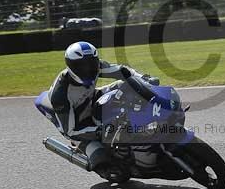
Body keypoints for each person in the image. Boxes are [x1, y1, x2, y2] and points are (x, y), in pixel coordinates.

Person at [46, 41, 156, 179]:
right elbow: (71, 131)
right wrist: (100, 131)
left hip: (92, 98)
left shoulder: (97, 67)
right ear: (70, 66)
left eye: (90, 64)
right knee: (100, 158)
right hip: (78, 123)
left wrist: (144, 80)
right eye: (80, 66)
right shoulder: (60, 95)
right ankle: (108, 166)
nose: (87, 69)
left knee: (127, 86)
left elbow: (122, 71)